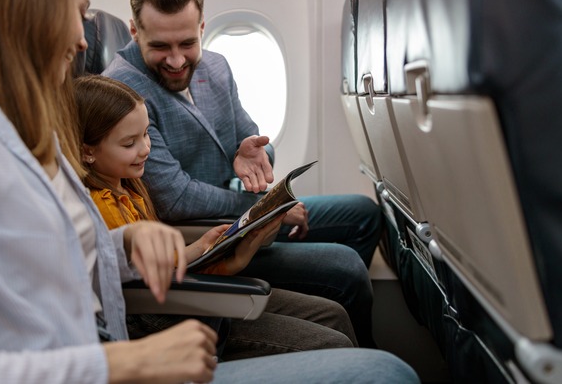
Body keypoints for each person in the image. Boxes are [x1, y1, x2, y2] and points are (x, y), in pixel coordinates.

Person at [0, 0, 420, 383]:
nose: (82, 39)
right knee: (383, 373)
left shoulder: (13, 114)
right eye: (75, 12)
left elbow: (55, 260)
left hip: (112, 349)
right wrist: (128, 365)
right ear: (21, 4)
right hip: (106, 363)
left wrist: (124, 246)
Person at [103, 0, 379, 348]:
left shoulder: (216, 65)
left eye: (187, 43)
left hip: (239, 212)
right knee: (345, 268)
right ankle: (359, 360)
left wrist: (256, 151)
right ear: (135, 32)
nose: (178, 60)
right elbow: (176, 197)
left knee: (363, 214)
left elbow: (254, 138)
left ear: (202, 28)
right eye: (161, 47)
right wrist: (266, 209)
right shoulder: (122, 92)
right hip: (208, 231)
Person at [70, 74, 357, 360]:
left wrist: (212, 248)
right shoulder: (102, 205)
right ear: (88, 152)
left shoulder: (129, 187)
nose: (145, 149)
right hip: (167, 316)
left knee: (333, 314)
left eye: (145, 134)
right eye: (129, 143)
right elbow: (143, 279)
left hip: (183, 294)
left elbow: (158, 263)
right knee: (334, 340)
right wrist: (215, 259)